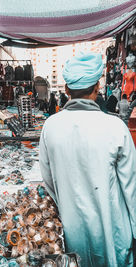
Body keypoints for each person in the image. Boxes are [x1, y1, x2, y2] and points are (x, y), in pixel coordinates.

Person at [39, 52, 136, 267]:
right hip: (113, 228)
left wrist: (68, 203)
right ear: (97, 89)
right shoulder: (115, 127)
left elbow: (48, 181)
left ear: (66, 90)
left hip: (73, 228)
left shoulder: (50, 127)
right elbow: (132, 186)